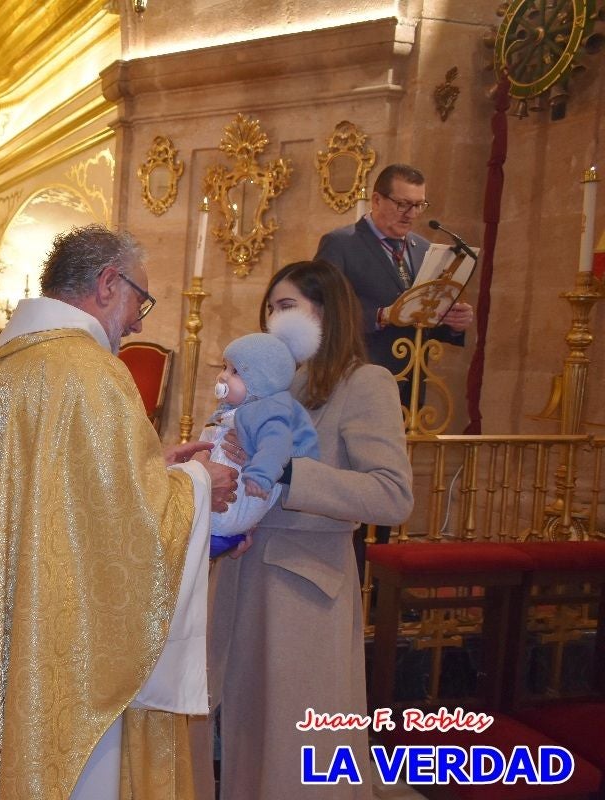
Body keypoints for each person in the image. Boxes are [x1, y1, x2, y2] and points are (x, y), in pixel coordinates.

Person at [0, 224, 238, 800]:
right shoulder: (92, 372)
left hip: (2, 625)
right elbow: (130, 530)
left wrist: (155, 467)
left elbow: (62, 495)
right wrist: (199, 484)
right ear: (108, 283)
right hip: (67, 652)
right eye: (140, 299)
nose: (139, 320)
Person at [200, 259, 413, 800]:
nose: (274, 319)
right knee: (245, 745)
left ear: (327, 312)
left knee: (297, 758)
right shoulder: (259, 386)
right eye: (269, 308)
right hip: (242, 581)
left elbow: (391, 494)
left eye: (287, 305)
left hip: (304, 592)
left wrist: (289, 473)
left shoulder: (364, 383)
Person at [314, 163, 474, 411]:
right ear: (376, 200)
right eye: (402, 204)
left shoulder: (423, 248)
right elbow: (321, 309)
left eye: (419, 205)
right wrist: (380, 316)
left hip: (411, 383)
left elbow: (421, 316)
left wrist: (452, 322)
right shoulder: (341, 244)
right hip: (357, 377)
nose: (411, 213)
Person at [202, 309, 320, 557]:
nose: (222, 375)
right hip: (221, 498)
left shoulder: (269, 411)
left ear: (263, 381)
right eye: (225, 367)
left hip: (242, 497)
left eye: (235, 371)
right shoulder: (235, 410)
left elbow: (276, 445)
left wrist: (261, 475)